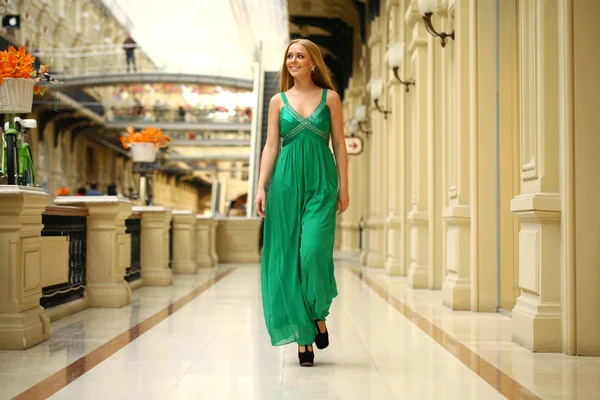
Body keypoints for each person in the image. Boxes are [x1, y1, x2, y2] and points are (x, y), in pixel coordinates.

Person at [254, 39, 349, 367]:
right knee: (286, 259)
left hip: (322, 185)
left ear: (313, 63)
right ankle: (305, 336)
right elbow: (270, 147)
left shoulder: (331, 98)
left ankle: (317, 312)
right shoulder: (277, 101)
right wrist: (260, 186)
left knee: (312, 253)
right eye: (289, 56)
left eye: (300, 56)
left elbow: (339, 143)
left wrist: (344, 187)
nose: (293, 60)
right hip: (285, 186)